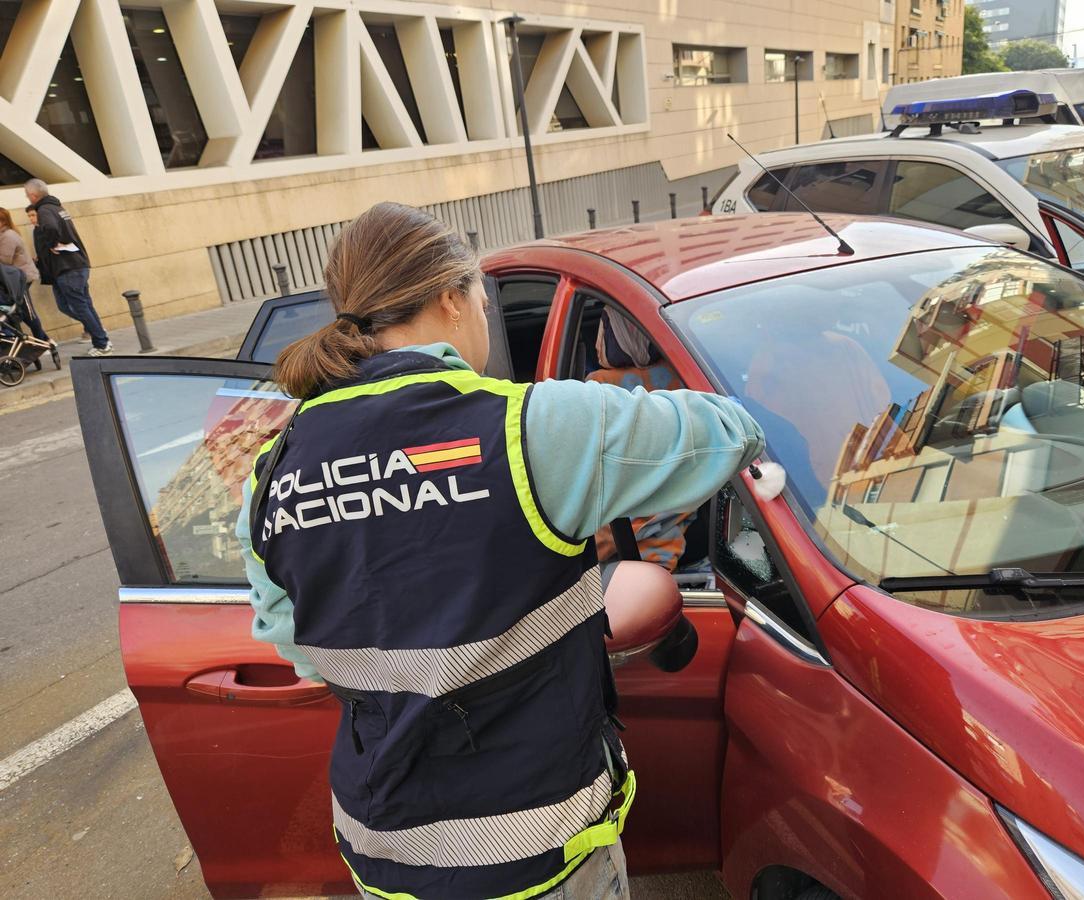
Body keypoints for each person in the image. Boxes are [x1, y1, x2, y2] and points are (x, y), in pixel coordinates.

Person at [235, 203, 764, 900]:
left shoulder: (273, 470)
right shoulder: (531, 428)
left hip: (386, 853)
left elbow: (299, 645)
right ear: (451, 300)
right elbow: (731, 430)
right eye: (483, 303)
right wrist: (627, 394)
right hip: (536, 856)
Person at [586, 307, 695, 571]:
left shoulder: (597, 387)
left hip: (627, 528)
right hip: (686, 506)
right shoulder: (684, 373)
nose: (597, 343)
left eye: (604, 332)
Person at [24, 179, 111, 356]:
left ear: (33, 195)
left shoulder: (45, 210)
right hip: (71, 267)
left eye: (27, 195)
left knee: (80, 306)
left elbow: (51, 228)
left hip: (68, 268)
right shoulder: (57, 208)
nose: (27, 198)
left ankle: (102, 343)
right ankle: (100, 334)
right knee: (75, 305)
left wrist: (52, 244)